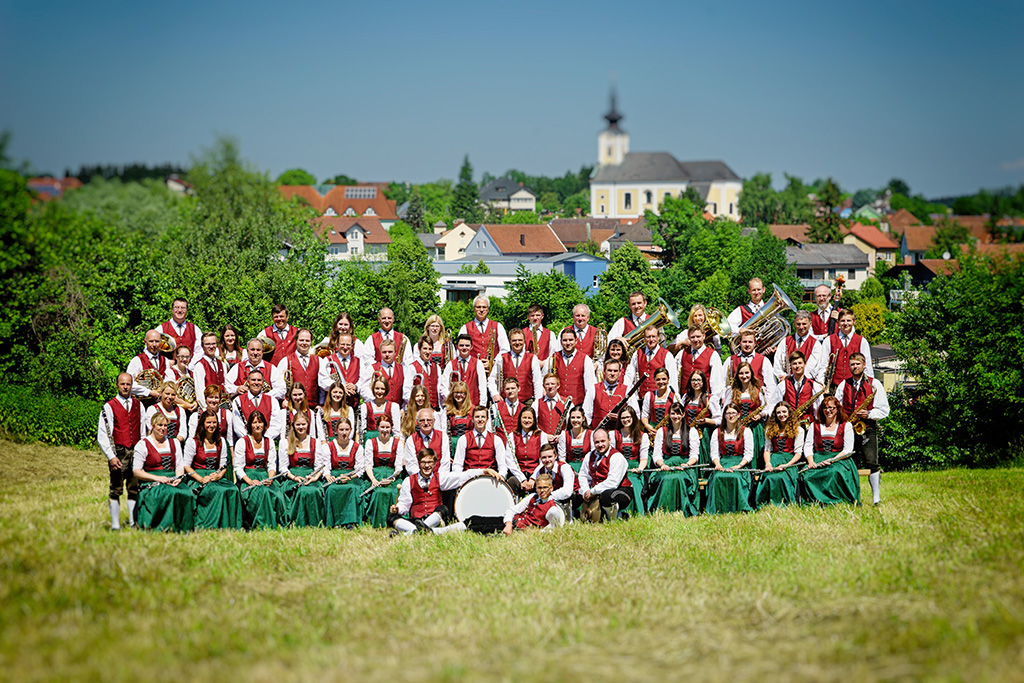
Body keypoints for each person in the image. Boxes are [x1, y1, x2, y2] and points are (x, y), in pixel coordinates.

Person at [388, 448, 501, 535]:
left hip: (436, 519)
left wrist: (483, 471)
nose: (427, 466)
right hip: (416, 519)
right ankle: (424, 530)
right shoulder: (409, 481)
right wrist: (398, 508)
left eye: (430, 462)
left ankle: (413, 532)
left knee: (443, 509)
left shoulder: (440, 478)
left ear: (435, 463)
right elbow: (404, 505)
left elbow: (462, 476)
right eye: (423, 462)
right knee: (391, 518)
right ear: (418, 463)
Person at [835, 352, 890, 506]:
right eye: (852, 364)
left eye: (858, 364)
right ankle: (849, 497)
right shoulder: (843, 384)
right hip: (848, 428)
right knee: (847, 462)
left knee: (871, 462)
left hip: (867, 428)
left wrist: (869, 413)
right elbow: (837, 406)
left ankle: (876, 499)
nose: (855, 367)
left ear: (864, 365)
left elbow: (885, 410)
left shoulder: (875, 384)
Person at [97, 372, 145, 530]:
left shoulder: (139, 405)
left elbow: (143, 429)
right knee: (116, 488)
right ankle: (116, 525)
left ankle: (133, 522)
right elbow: (103, 434)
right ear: (117, 385)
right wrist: (111, 456)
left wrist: (143, 451)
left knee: (134, 487)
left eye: (128, 384)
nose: (125, 387)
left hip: (136, 451)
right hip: (119, 451)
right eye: (123, 384)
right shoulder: (109, 406)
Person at [132, 414, 195, 532]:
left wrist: (178, 478)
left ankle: (184, 527)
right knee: (169, 492)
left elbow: (179, 465)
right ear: (152, 425)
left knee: (188, 492)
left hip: (172, 480)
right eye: (159, 425)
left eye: (165, 425)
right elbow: (137, 472)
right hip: (151, 482)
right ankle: (166, 527)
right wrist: (158, 478)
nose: (163, 428)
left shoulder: (174, 442)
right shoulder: (143, 444)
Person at [183, 410, 242, 529]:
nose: (212, 425)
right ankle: (210, 524)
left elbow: (223, 465)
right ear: (202, 424)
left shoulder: (221, 442)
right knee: (216, 490)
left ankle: (230, 525)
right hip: (198, 476)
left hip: (215, 476)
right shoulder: (193, 442)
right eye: (208, 422)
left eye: (214, 422)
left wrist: (219, 476)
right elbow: (186, 466)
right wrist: (201, 479)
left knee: (233, 489)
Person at [233, 410, 289, 529]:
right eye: (254, 422)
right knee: (262, 493)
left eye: (260, 422)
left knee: (278, 494)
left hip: (265, 476)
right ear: (250, 425)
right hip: (248, 478)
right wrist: (250, 481)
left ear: (264, 425)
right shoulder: (242, 442)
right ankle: (265, 524)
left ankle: (281, 523)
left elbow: (271, 464)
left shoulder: (269, 442)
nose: (257, 425)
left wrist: (270, 478)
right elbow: (238, 468)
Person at [798, 396, 858, 505]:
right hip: (818, 457)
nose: (828, 410)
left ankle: (835, 500)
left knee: (835, 472)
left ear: (837, 409)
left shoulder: (846, 425)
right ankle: (815, 500)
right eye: (825, 408)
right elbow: (807, 446)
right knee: (806, 475)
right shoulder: (814, 425)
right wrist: (811, 462)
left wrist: (833, 460)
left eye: (831, 407)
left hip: (840, 459)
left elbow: (848, 449)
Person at [646, 402, 700, 516]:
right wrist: (662, 465)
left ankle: (682, 509)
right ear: (669, 415)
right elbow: (657, 455)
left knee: (679, 478)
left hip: (685, 465)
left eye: (678, 413)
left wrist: (687, 464)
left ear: (683, 414)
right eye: (673, 413)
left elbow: (695, 455)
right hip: (666, 464)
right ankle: (663, 509)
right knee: (665, 478)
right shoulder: (662, 431)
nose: (676, 416)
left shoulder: (691, 431)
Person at [452, 406, 524, 487]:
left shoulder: (496, 440)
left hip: (490, 481)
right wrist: (461, 480)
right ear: (472, 419)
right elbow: (457, 464)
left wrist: (501, 476)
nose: (480, 419)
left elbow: (502, 464)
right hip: (469, 481)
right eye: (477, 417)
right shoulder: (463, 439)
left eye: (483, 417)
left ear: (487, 419)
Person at [705, 403, 755, 514]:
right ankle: (718, 509)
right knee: (717, 477)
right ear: (724, 416)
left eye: (733, 413)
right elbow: (714, 453)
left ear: (738, 415)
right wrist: (717, 464)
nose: (731, 416)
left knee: (736, 477)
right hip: (722, 462)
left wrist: (739, 466)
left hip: (740, 463)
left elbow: (748, 454)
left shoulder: (746, 431)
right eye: (728, 413)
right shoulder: (717, 432)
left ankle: (738, 508)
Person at [754, 403, 805, 507]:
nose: (782, 414)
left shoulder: (799, 430)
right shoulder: (769, 429)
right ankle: (766, 503)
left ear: (789, 413)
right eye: (779, 412)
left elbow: (798, 453)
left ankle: (784, 503)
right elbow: (767, 450)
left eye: (784, 412)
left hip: (790, 460)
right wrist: (768, 464)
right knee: (768, 477)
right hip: (774, 458)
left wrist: (787, 465)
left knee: (782, 477)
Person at [320, 417, 367, 527]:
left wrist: (350, 477)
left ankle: (350, 521)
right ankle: (335, 521)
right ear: (336, 430)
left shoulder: (357, 447)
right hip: (334, 476)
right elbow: (325, 466)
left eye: (346, 429)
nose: (344, 433)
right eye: (341, 430)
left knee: (353, 489)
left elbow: (360, 469)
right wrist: (328, 476)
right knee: (332, 489)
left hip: (351, 477)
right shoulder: (328, 447)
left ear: (351, 430)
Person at [578, 429, 632, 523]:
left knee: (606, 496)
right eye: (597, 442)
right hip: (598, 491)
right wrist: (586, 490)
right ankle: (621, 516)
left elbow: (613, 482)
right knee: (577, 494)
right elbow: (583, 475)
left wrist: (593, 491)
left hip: (621, 490)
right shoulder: (589, 456)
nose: (600, 445)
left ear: (609, 440)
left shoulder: (617, 457)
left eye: (603, 441)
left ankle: (612, 520)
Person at [363, 413, 404, 528]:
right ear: (377, 427)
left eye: (387, 427)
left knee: (393, 492)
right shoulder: (371, 442)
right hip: (375, 475)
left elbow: (399, 467)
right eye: (382, 427)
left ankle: (396, 522)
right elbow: (368, 465)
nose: (385, 430)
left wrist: (391, 479)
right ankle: (378, 522)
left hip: (392, 476)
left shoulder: (398, 443)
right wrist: (373, 480)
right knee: (378, 492)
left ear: (391, 428)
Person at [821, 309, 874, 390]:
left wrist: (868, 386)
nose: (845, 323)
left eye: (848, 320)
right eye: (842, 321)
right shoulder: (828, 340)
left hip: (855, 387)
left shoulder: (862, 341)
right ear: (838, 322)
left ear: (854, 322)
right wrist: (821, 385)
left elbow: (867, 366)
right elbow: (823, 365)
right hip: (834, 387)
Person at [724, 361, 767, 461]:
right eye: (741, 373)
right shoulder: (731, 390)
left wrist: (761, 414)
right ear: (737, 375)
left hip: (755, 427)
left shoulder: (759, 390)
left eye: (747, 373)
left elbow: (767, 407)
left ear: (751, 373)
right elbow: (725, 409)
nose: (744, 376)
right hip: (737, 426)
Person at [610, 405, 648, 517]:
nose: (626, 420)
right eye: (623, 418)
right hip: (619, 468)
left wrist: (640, 469)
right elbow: (612, 456)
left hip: (634, 468)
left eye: (628, 417)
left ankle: (635, 512)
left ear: (633, 418)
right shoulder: (614, 434)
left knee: (633, 483)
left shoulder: (642, 436)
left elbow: (644, 458)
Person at [488, 328, 542, 404]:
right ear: (510, 341)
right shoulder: (502, 357)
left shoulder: (533, 358)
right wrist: (495, 394)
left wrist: (537, 404)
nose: (517, 343)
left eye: (520, 340)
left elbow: (537, 383)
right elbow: (491, 379)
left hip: (527, 402)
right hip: (506, 402)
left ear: (524, 341)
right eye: (514, 340)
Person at [766, 351, 823, 424]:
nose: (797, 366)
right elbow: (773, 405)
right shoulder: (783, 385)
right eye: (794, 363)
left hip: (808, 425)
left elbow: (818, 409)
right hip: (788, 425)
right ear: (790, 365)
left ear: (805, 364)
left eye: (800, 363)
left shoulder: (814, 385)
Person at [459, 295, 510, 372]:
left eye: (484, 307)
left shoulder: (498, 326)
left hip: (493, 370)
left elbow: (505, 350)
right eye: (478, 307)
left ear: (488, 309)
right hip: (472, 370)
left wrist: (493, 362)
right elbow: (460, 350)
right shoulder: (465, 328)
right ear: (474, 309)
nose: (481, 310)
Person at [584, 358, 638, 430]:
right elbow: (586, 414)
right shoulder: (593, 389)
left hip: (620, 434)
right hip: (598, 434)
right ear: (604, 371)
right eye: (609, 370)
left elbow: (635, 414)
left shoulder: (627, 390)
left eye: (615, 371)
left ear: (619, 373)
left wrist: (620, 418)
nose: (612, 374)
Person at [681, 369, 720, 468]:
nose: (696, 383)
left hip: (703, 434)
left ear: (703, 382)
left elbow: (719, 419)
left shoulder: (710, 398)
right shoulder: (686, 397)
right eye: (693, 380)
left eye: (699, 380)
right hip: (687, 432)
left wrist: (706, 420)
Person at [318, 333, 368, 410]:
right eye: (342, 344)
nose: (345, 347)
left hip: (353, 406)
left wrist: (356, 386)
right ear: (337, 345)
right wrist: (340, 387)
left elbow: (364, 380)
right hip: (333, 407)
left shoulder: (359, 361)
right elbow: (322, 380)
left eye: (348, 345)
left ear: (352, 346)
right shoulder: (327, 360)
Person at [231, 370, 284, 441]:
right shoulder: (237, 400)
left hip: (267, 442)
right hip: (246, 443)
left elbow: (276, 425)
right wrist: (250, 439)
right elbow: (238, 426)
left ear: (263, 383)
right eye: (253, 380)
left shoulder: (273, 400)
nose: (256, 383)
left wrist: (263, 439)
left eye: (259, 380)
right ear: (248, 382)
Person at [677, 325, 726, 402]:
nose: (695, 340)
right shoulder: (682, 353)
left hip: (704, 400)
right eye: (692, 337)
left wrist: (713, 401)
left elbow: (717, 382)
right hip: (685, 400)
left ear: (703, 336)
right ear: (688, 338)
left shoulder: (713, 355)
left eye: (698, 336)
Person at [549, 327, 596, 407]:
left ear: (576, 341)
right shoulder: (552, 358)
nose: (568, 343)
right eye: (565, 340)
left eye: (571, 340)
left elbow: (590, 387)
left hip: (578, 406)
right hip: (558, 405)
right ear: (560, 342)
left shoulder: (586, 359)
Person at [274, 328, 320, 409]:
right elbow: (278, 385)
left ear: (311, 342)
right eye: (301, 340)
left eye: (307, 341)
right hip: (292, 408)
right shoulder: (286, 360)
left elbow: (322, 384)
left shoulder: (319, 360)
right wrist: (282, 400)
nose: (304, 343)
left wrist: (322, 403)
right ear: (296, 340)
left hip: (313, 408)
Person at [773, 310, 824, 381]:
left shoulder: (816, 344)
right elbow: (777, 363)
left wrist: (792, 377)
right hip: (786, 383)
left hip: (806, 383)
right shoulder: (785, 341)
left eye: (804, 324)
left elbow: (812, 368)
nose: (801, 327)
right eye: (798, 324)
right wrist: (783, 376)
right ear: (794, 324)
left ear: (810, 324)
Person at [439, 333, 487, 407]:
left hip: (473, 406)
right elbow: (443, 387)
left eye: (467, 345)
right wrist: (452, 400)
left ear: (471, 347)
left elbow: (483, 387)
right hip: (455, 407)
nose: (464, 348)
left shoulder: (478, 363)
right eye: (461, 345)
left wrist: (481, 406)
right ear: (457, 347)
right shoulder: (450, 364)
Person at [530, 444, 576, 519]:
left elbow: (567, 491)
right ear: (540, 459)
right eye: (544, 457)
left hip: (571, 501)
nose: (547, 460)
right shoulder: (540, 471)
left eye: (550, 456)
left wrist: (548, 496)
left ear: (556, 456)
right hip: (550, 501)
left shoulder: (565, 468)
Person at [187, 386, 234, 457]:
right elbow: (192, 438)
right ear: (205, 398)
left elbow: (230, 439)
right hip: (202, 453)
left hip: (222, 452)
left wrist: (232, 457)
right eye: (210, 397)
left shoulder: (227, 414)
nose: (213, 400)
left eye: (216, 397)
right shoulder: (196, 416)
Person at [402, 409, 451, 476]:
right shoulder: (411, 440)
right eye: (422, 420)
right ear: (417, 422)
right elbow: (411, 465)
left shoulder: (443, 437)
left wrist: (436, 479)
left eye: (429, 420)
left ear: (434, 421)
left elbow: (445, 463)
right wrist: (423, 478)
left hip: (439, 479)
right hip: (419, 480)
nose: (425, 423)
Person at [633, 324, 676, 398]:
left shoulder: (667, 355)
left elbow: (673, 380)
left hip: (660, 399)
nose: (651, 339)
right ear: (644, 338)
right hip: (641, 399)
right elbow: (631, 377)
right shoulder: (637, 354)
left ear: (658, 337)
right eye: (648, 337)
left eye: (653, 336)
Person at [510, 407, 547, 492]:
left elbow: (544, 460)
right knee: (512, 482)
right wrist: (522, 479)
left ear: (534, 420)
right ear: (520, 419)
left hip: (536, 473)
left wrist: (533, 478)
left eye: (529, 418)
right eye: (524, 418)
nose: (527, 420)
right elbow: (510, 461)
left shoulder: (542, 436)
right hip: (519, 473)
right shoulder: (512, 436)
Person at [126, 329, 168, 402]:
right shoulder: (137, 360)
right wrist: (149, 392)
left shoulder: (165, 360)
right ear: (145, 342)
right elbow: (129, 384)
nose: (154, 345)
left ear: (161, 342)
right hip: (143, 402)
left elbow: (168, 380)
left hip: (161, 403)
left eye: (157, 341)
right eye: (151, 341)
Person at [404, 335, 441, 410]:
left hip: (435, 409)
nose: (427, 352)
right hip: (418, 409)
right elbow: (406, 391)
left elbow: (439, 389)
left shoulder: (437, 367)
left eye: (430, 349)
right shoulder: (412, 367)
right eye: (425, 348)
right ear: (419, 349)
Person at [160, 297, 202, 361]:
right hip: (168, 369)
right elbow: (152, 350)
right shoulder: (161, 328)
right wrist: (167, 364)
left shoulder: (195, 329)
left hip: (190, 369)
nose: (179, 310)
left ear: (187, 310)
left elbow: (200, 351)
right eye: (176, 307)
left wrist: (191, 366)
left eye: (183, 308)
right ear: (172, 309)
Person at [361, 375, 401, 442]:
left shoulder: (394, 406)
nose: (379, 391)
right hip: (370, 441)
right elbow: (361, 431)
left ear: (386, 390)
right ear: (373, 389)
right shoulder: (365, 406)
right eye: (377, 388)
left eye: (382, 389)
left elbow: (396, 433)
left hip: (388, 442)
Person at [193, 332, 227, 411]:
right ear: (202, 346)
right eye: (207, 344)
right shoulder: (199, 365)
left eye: (213, 343)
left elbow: (225, 386)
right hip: (207, 410)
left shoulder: (222, 364)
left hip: (222, 408)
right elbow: (199, 391)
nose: (211, 347)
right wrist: (207, 410)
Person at [364, 339, 405, 405]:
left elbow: (406, 390)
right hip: (378, 408)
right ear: (380, 352)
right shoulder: (372, 368)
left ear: (395, 352)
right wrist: (374, 403)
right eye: (384, 352)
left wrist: (403, 408)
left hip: (398, 409)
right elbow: (365, 388)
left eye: (390, 352)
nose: (387, 354)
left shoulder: (403, 368)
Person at [640, 367, 676, 438]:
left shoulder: (674, 396)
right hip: (653, 430)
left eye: (664, 379)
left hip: (669, 431)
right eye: (658, 379)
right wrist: (647, 426)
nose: (661, 382)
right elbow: (645, 415)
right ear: (654, 380)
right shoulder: (649, 395)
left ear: (668, 379)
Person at [440, 381, 474, 454]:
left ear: (466, 394)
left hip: (469, 443)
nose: (459, 395)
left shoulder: (472, 410)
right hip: (453, 445)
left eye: (462, 393)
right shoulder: (447, 411)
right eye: (456, 392)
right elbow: (444, 431)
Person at [556, 405, 592, 472]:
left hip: (587, 468)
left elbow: (593, 456)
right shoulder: (564, 435)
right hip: (570, 468)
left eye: (578, 417)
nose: (575, 420)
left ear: (583, 418)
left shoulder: (590, 434)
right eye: (573, 417)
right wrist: (570, 471)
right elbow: (562, 459)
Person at [164, 346, 198, 412]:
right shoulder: (170, 372)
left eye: (187, 357)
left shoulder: (192, 373)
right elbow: (170, 394)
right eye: (181, 356)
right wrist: (188, 405)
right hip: (175, 409)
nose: (184, 359)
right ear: (176, 357)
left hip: (192, 408)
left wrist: (196, 403)